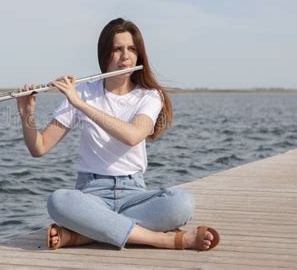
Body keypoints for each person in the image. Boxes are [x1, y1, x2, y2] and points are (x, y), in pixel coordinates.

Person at [16, 18, 220, 251]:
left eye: (132, 49)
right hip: (91, 193)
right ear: (105, 55)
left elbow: (133, 135)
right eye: (117, 49)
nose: (126, 56)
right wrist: (26, 114)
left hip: (133, 194)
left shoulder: (150, 96)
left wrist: (81, 105)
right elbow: (39, 147)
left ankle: (86, 234)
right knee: (58, 201)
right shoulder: (83, 91)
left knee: (182, 203)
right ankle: (161, 239)